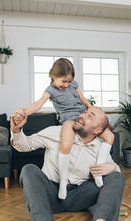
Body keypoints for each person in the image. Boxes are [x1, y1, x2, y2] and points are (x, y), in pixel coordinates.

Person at [10, 107, 125, 221]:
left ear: (96, 131)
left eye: (90, 116)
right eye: (84, 112)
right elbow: (24, 145)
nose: (82, 115)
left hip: (80, 197)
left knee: (117, 177)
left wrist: (113, 167)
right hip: (51, 196)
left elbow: (114, 169)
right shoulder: (55, 132)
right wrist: (16, 131)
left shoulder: (99, 148)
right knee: (28, 170)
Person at [17, 58, 114, 199]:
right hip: (69, 120)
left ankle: (98, 173)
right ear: (53, 76)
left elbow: (82, 98)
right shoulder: (50, 90)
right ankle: (63, 182)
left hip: (82, 116)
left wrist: (91, 108)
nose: (67, 84)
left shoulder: (73, 84)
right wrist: (25, 113)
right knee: (66, 144)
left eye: (69, 81)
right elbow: (38, 104)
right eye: (63, 81)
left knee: (110, 137)